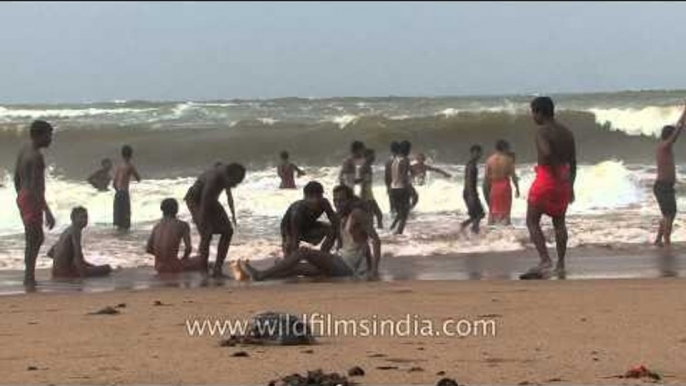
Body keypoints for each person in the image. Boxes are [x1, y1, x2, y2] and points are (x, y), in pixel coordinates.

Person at [237, 185, 381, 281]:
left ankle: (260, 275)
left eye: (341, 200)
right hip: (338, 262)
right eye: (335, 200)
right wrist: (367, 267)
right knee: (294, 268)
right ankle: (256, 274)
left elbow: (374, 240)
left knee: (303, 252)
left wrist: (373, 270)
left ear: (349, 200)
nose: (337, 204)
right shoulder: (344, 216)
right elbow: (364, 243)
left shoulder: (357, 214)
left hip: (344, 266)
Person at [521, 97, 577, 279]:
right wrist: (570, 184)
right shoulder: (567, 132)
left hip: (547, 178)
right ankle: (560, 264)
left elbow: (546, 152)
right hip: (563, 182)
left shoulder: (542, 132)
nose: (532, 117)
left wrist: (554, 170)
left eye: (533, 112)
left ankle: (545, 260)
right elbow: (573, 162)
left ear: (540, 112)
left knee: (532, 221)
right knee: (559, 223)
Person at [184, 163, 246, 277]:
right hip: (195, 199)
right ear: (228, 176)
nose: (235, 185)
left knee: (228, 231)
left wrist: (233, 214)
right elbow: (204, 202)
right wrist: (202, 223)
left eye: (238, 183)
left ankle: (217, 269)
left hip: (210, 199)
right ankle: (203, 271)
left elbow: (229, 196)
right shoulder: (214, 179)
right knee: (206, 234)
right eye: (235, 182)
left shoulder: (227, 174)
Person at [14, 120, 56, 287]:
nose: (50, 138)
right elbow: (36, 188)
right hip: (31, 199)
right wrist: (47, 211)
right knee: (35, 238)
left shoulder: (24, 150)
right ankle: (29, 277)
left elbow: (16, 176)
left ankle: (29, 274)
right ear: (38, 135)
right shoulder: (36, 157)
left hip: (23, 196)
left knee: (33, 238)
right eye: (48, 135)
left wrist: (20, 196)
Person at [653, 102, 686, 247]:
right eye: (671, 134)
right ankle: (667, 242)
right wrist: (682, 119)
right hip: (662, 187)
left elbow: (677, 128)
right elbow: (676, 132)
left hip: (664, 186)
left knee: (667, 214)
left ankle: (658, 240)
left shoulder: (663, 147)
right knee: (669, 214)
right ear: (668, 135)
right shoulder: (664, 146)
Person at [47, 207, 112, 279]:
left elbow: (50, 253)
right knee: (107, 268)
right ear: (72, 219)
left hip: (55, 271)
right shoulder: (76, 231)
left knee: (90, 266)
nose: (84, 220)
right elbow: (78, 254)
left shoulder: (67, 230)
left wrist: (63, 261)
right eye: (81, 217)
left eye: (85, 217)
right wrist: (82, 274)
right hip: (65, 273)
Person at [280, 181, 339, 257]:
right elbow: (296, 237)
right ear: (305, 197)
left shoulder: (324, 203)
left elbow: (335, 222)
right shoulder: (298, 211)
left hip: (309, 225)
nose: (315, 201)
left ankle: (323, 255)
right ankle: (288, 260)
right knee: (290, 245)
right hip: (289, 229)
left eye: (318, 197)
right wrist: (292, 252)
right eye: (311, 198)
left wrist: (340, 241)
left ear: (321, 196)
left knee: (332, 230)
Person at [147, 198, 204, 274]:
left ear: (162, 209)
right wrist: (184, 258)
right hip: (174, 266)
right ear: (176, 210)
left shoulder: (156, 226)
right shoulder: (182, 225)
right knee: (202, 259)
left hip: (158, 267)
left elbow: (148, 249)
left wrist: (162, 256)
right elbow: (188, 248)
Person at [484, 140, 521, 225]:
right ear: (504, 148)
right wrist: (517, 188)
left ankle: (489, 235)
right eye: (507, 148)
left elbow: (486, 178)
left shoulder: (489, 160)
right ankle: (506, 236)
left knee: (492, 213)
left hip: (494, 187)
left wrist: (487, 190)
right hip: (505, 186)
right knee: (506, 214)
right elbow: (513, 176)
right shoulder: (508, 160)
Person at [113, 145, 141, 231]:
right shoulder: (130, 166)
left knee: (118, 218)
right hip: (124, 193)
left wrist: (118, 190)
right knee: (126, 219)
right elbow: (138, 178)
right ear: (131, 155)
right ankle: (125, 238)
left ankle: (119, 238)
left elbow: (114, 184)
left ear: (122, 155)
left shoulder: (119, 166)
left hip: (118, 193)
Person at [389, 140, 413, 235]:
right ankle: (398, 233)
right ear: (407, 149)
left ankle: (392, 228)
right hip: (402, 188)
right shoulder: (405, 160)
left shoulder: (395, 160)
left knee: (400, 212)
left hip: (393, 188)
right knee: (404, 215)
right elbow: (403, 177)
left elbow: (393, 176)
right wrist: (409, 189)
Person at [460, 145, 485, 234]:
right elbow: (469, 180)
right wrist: (471, 195)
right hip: (470, 192)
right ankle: (473, 230)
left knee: (476, 215)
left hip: (469, 192)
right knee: (479, 214)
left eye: (479, 152)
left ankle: (465, 227)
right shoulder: (471, 165)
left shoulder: (471, 164)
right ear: (472, 153)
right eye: (477, 153)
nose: (479, 155)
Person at [358, 148, 384, 228]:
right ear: (367, 156)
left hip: (369, 194)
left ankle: (380, 234)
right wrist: (363, 198)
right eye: (372, 155)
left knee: (378, 215)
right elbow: (363, 183)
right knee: (373, 216)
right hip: (366, 195)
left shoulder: (368, 167)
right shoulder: (364, 167)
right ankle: (372, 235)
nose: (374, 157)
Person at [384, 141, 401, 215]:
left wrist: (387, 187)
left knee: (393, 208)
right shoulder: (401, 160)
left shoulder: (388, 161)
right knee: (401, 208)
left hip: (391, 186)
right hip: (400, 187)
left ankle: (392, 224)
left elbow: (386, 176)